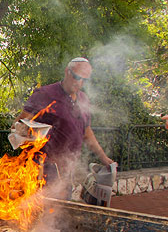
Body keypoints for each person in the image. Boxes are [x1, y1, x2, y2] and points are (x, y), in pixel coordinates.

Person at [14, 57, 114, 198]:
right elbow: (19, 124)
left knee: (60, 214)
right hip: (44, 169)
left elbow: (86, 132)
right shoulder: (45, 94)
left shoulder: (83, 99)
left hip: (67, 170)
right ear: (67, 71)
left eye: (85, 80)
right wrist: (29, 132)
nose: (80, 83)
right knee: (39, 213)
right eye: (77, 77)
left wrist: (103, 158)